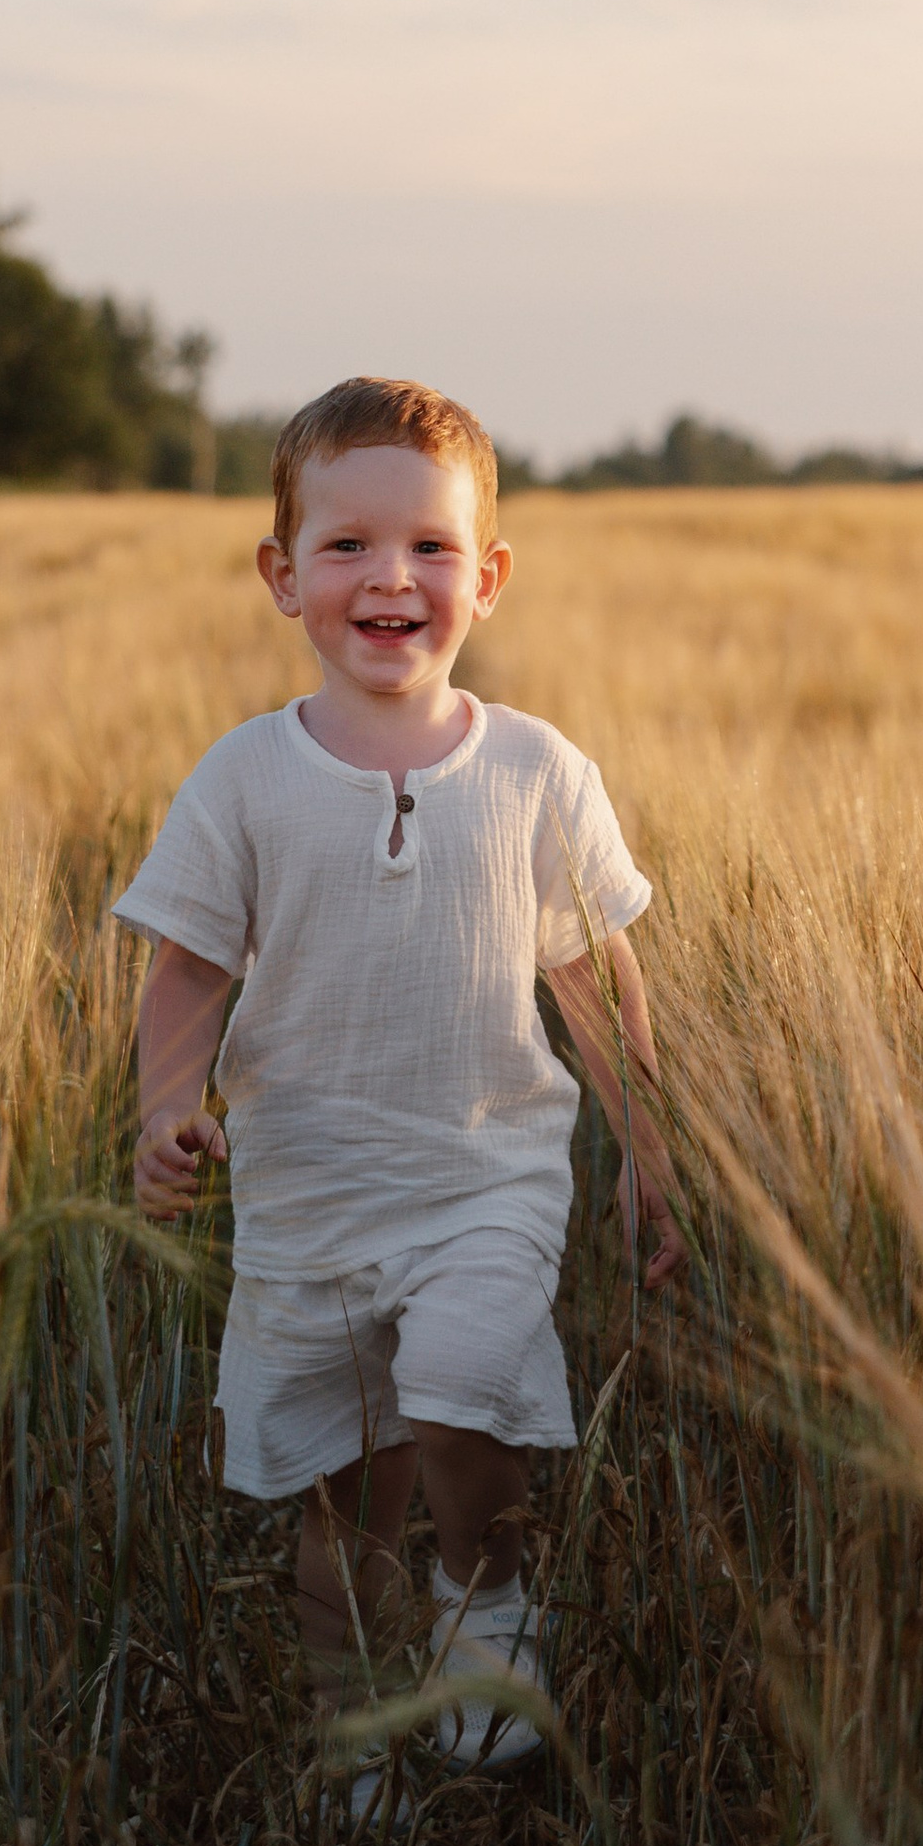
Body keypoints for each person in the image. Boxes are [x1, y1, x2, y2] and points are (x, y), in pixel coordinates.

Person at [119, 373, 684, 1773]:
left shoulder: (539, 771)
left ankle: (485, 1604)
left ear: (487, 579)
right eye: (349, 546)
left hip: (486, 1175)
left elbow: (596, 978)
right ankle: (358, 1731)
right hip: (308, 1190)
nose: (391, 578)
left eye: (431, 546)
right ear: (282, 576)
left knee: (464, 1383)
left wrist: (651, 1152)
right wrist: (165, 1111)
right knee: (346, 1497)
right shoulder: (245, 778)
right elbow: (188, 968)